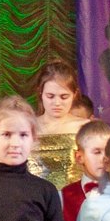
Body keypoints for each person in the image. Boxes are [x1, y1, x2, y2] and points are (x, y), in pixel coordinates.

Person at [34, 60, 85, 188]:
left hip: (74, 198)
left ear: (74, 94)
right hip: (35, 197)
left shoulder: (84, 128)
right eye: (50, 96)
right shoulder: (27, 128)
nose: (57, 103)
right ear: (40, 93)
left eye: (64, 97)